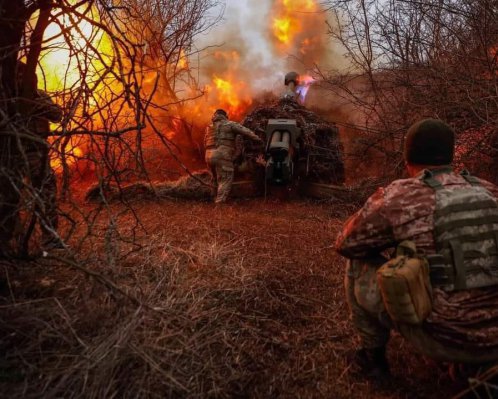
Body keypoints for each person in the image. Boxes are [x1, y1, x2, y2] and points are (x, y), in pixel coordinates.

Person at [336, 119, 498, 379]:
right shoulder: (489, 190)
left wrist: (377, 202)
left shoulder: (402, 195)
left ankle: (372, 361)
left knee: (357, 263)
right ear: (451, 157)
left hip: (444, 339)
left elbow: (346, 244)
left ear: (407, 159)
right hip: (495, 342)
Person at [0, 61, 62, 254]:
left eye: (25, 76)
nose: (21, 80)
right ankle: (6, 240)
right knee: (10, 197)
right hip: (13, 155)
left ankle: (50, 238)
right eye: (17, 76)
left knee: (46, 194)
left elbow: (56, 115)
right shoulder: (6, 99)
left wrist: (33, 102)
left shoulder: (40, 95)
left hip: (38, 153)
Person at [204, 109, 263, 203]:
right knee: (225, 179)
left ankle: (212, 197)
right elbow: (246, 131)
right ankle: (219, 204)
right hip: (222, 154)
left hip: (208, 155)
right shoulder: (229, 124)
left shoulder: (209, 127)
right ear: (225, 116)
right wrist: (258, 140)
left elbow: (205, 142)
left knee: (215, 178)